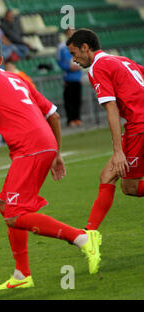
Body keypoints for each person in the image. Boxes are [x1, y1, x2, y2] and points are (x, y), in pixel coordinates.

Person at [0, 36, 101, 289]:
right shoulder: (18, 78)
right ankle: (21, 274)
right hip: (43, 144)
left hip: (29, 149)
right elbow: (54, 114)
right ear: (2, 59)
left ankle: (81, 238)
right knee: (6, 205)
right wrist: (56, 152)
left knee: (15, 215)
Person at [66, 29, 144, 231]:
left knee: (130, 187)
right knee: (107, 176)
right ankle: (89, 235)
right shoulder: (121, 59)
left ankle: (89, 236)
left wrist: (118, 152)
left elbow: (112, 110)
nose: (74, 59)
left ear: (85, 48)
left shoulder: (97, 67)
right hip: (139, 124)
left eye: (75, 53)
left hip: (139, 127)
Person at [57, 28, 83, 127]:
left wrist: (80, 65)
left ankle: (77, 118)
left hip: (78, 76)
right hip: (68, 77)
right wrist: (68, 67)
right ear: (66, 34)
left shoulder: (79, 46)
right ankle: (70, 119)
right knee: (69, 100)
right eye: (70, 32)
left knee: (78, 99)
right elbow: (59, 61)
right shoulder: (62, 47)